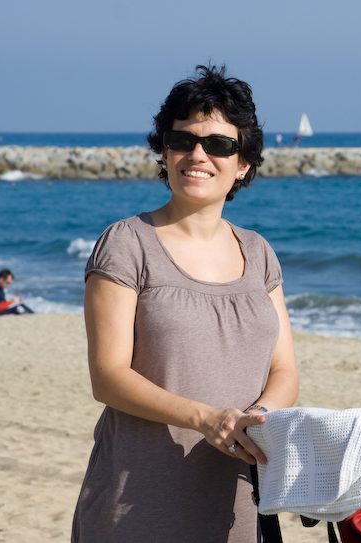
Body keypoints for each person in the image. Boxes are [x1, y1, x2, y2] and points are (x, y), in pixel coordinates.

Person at [71, 65, 299, 543]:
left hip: (237, 502)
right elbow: (108, 377)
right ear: (165, 150)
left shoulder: (258, 252)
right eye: (183, 141)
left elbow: (285, 372)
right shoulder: (127, 243)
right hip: (139, 504)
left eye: (218, 144)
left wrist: (254, 419)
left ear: (244, 164)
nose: (198, 155)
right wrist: (206, 418)